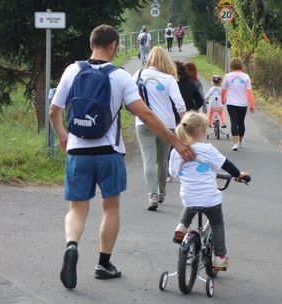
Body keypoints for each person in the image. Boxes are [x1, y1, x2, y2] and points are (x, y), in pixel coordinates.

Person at [49, 25, 195, 290]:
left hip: (78, 152)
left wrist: (62, 136)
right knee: (110, 207)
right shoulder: (120, 77)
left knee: (77, 209)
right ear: (114, 46)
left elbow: (53, 111)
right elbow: (146, 115)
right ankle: (104, 264)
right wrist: (175, 140)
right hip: (108, 153)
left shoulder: (72, 70)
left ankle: (72, 246)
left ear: (91, 43)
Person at [169, 112, 249, 268]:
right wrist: (239, 175)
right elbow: (226, 165)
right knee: (217, 224)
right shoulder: (207, 149)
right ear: (200, 131)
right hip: (210, 198)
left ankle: (181, 227)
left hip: (188, 196)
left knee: (190, 205)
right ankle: (220, 257)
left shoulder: (176, 151)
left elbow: (172, 173)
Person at [132, 46, 187, 211]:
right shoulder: (168, 79)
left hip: (143, 123)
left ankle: (152, 195)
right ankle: (162, 192)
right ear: (165, 60)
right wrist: (184, 123)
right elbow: (179, 104)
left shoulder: (138, 74)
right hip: (166, 124)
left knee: (148, 159)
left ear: (149, 59)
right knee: (161, 161)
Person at [222, 57, 254, 151]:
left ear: (231, 65)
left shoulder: (227, 76)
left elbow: (223, 90)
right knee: (241, 122)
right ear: (241, 65)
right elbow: (249, 92)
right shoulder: (246, 77)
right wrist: (251, 104)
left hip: (231, 103)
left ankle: (235, 143)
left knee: (234, 122)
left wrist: (223, 100)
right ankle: (240, 141)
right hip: (242, 104)